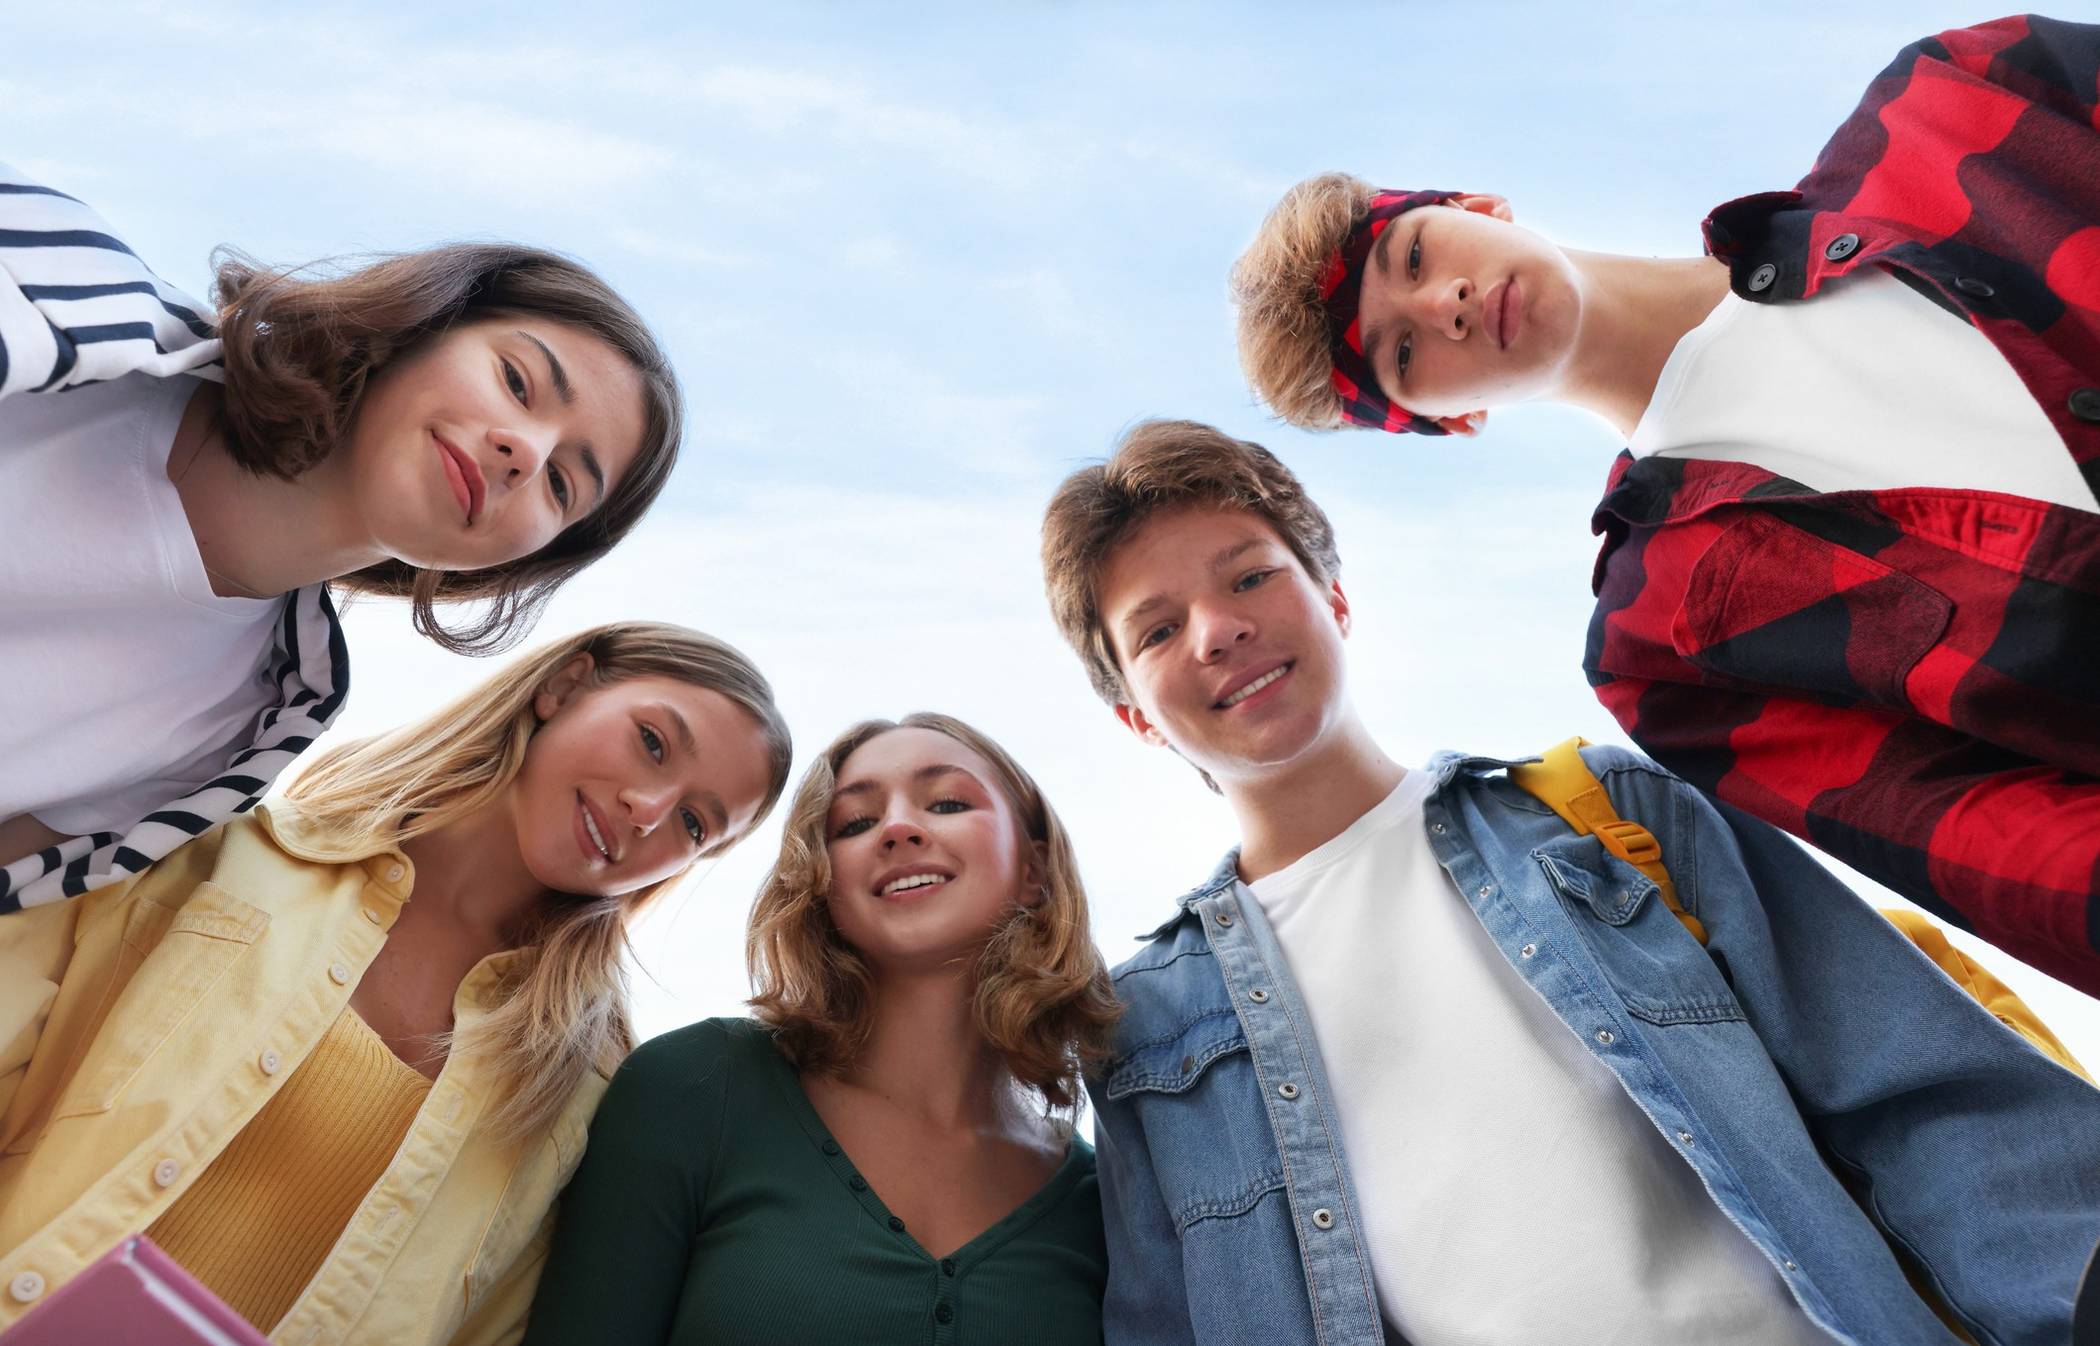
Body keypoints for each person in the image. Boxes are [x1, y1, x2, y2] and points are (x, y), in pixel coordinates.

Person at [1039, 419, 2100, 1345]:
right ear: (1134, 710)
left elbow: (1923, 1091)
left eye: (1250, 575)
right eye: (1159, 628)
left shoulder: (1605, 811)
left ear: (1335, 597)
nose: (1218, 628)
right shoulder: (1151, 1032)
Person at [1226, 15, 2100, 996]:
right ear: (1450, 419)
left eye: (1416, 257)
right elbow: (2000, 845)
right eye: (1401, 354)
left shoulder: (1949, 101)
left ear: (1477, 203)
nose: (1444, 308)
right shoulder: (1667, 643)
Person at [0, 621, 792, 1345]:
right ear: (565, 686)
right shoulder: (216, 858)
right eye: (652, 743)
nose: (649, 811)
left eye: (696, 824)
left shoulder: (583, 1096)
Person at [0, 160, 684, 915]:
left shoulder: (246, 728)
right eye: (517, 382)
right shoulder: (48, 270)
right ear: (424, 322)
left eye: (562, 485)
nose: (525, 451)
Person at [523, 713, 1119, 1345]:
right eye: (854, 825)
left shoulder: (1105, 1199)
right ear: (823, 883)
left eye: (946, 803)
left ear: (1034, 866)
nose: (897, 829)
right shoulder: (699, 1087)